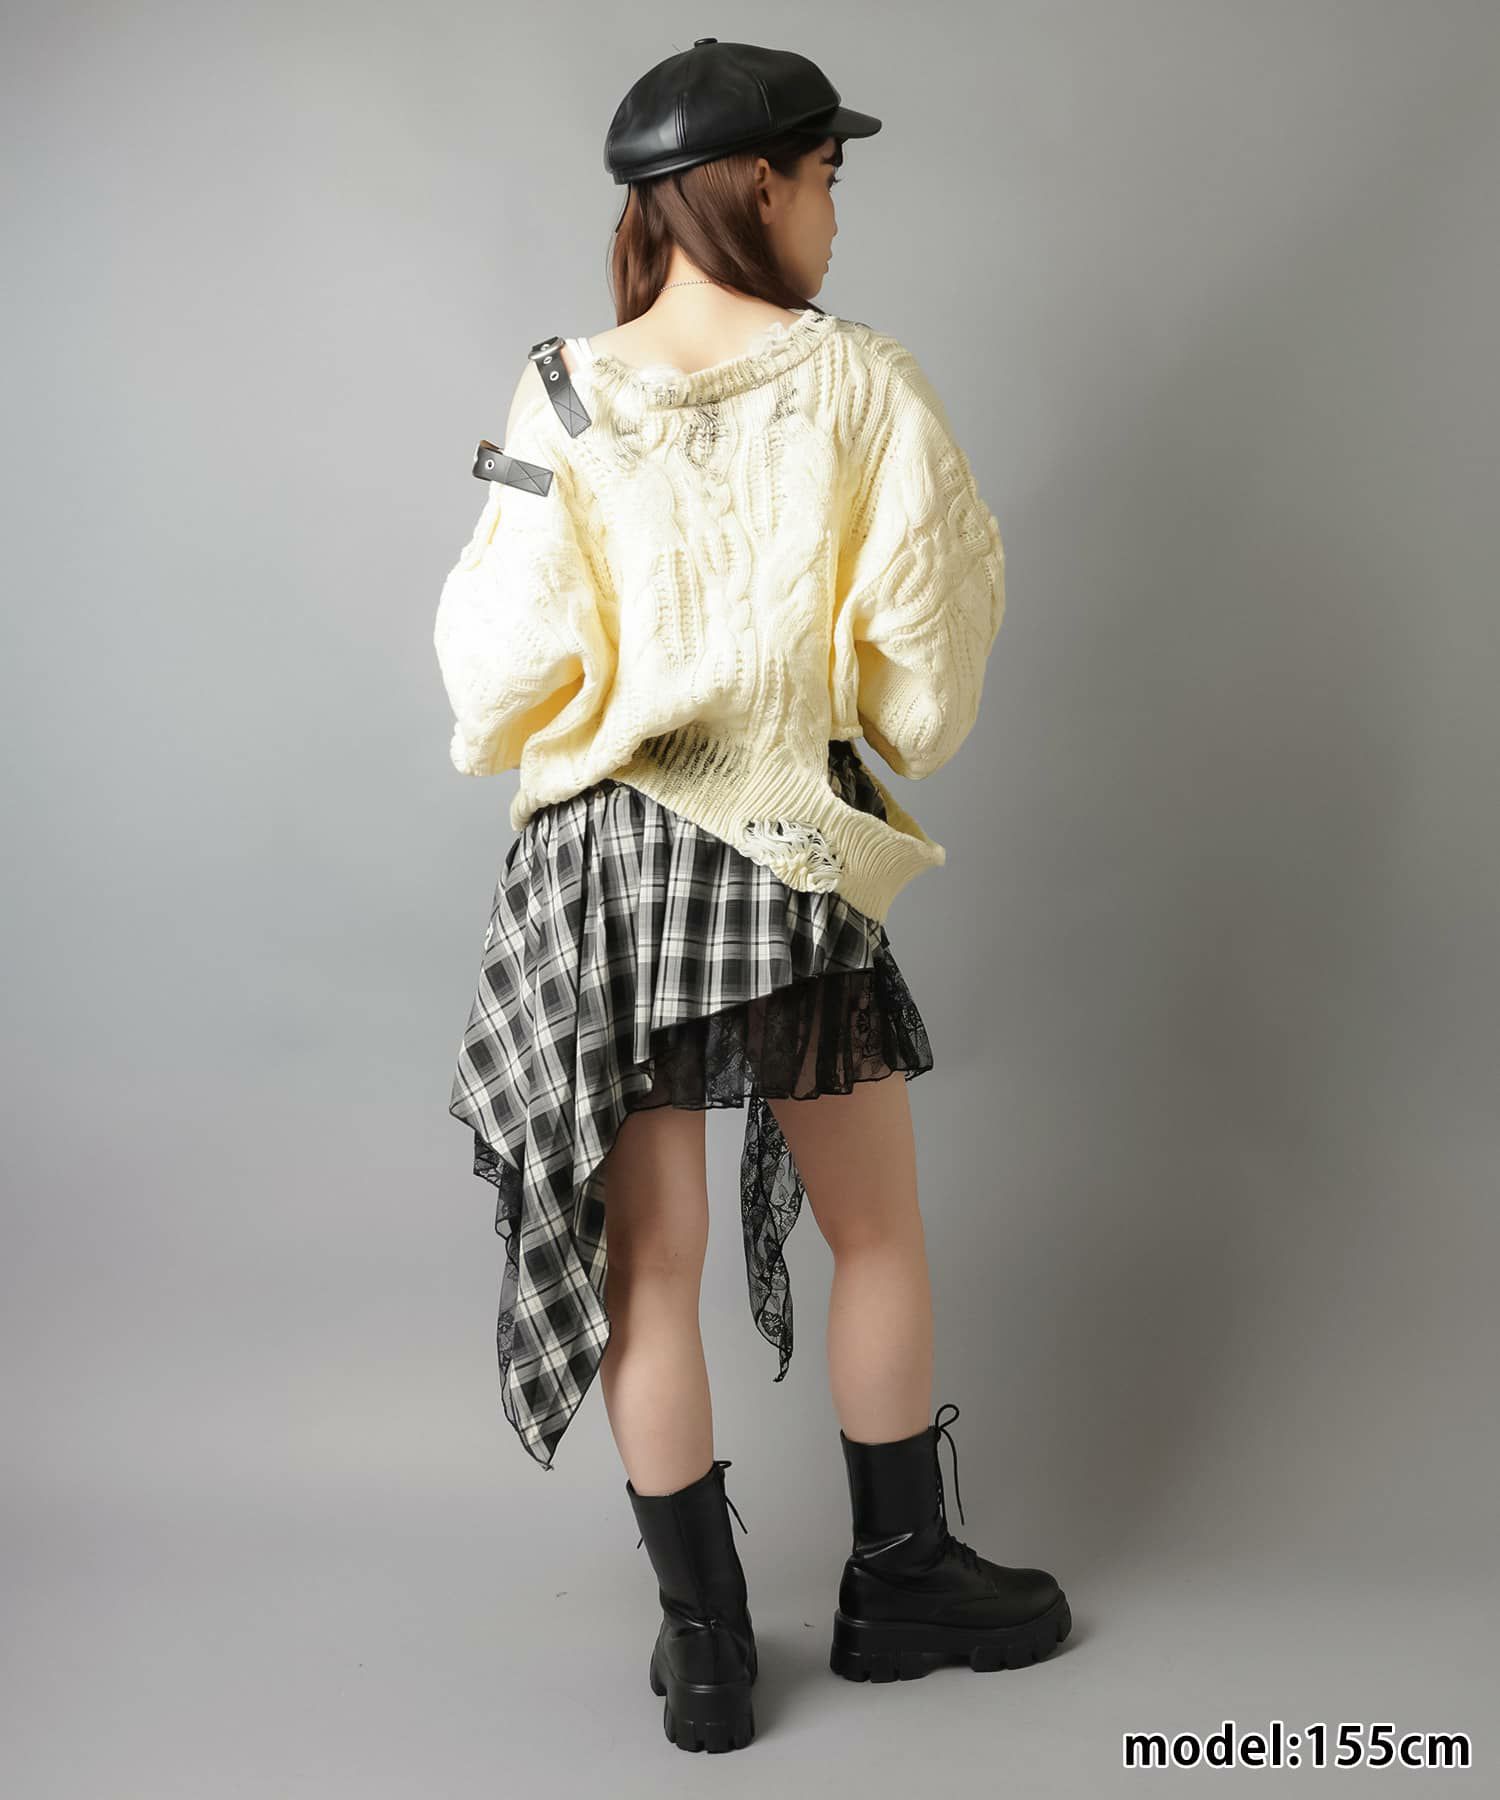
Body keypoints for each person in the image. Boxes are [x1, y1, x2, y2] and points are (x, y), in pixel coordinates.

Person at [433, 37, 1071, 1754]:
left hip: (601, 876)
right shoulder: (859, 382)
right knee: (879, 1232)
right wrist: (828, 697)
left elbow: (495, 671)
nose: (839, 213)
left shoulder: (561, 388)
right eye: (829, 178)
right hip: (784, 853)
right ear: (761, 184)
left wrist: (620, 695)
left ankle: (707, 1649)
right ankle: (902, 1582)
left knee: (651, 1269)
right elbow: (924, 667)